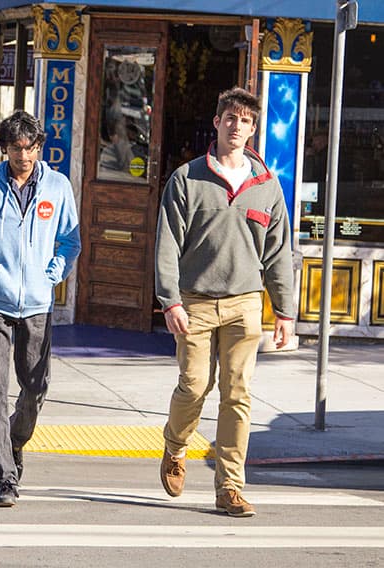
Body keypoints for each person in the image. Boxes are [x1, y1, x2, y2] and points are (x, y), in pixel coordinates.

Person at [154, 87, 295, 518]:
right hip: (194, 302)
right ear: (216, 123)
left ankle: (230, 486)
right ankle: (176, 447)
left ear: (253, 129)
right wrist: (170, 301)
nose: (237, 126)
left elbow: (278, 252)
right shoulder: (187, 178)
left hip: (245, 304)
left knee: (238, 394)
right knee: (195, 385)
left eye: (245, 121)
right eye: (230, 118)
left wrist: (284, 310)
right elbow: (167, 244)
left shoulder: (266, 186)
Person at [0, 110, 81, 507]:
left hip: (38, 304)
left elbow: (70, 241)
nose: (23, 156)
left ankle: (14, 440)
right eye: (15, 148)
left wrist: (52, 274)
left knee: (36, 386)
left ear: (39, 147)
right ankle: (5, 479)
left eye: (30, 148)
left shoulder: (58, 186)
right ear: (4, 149)